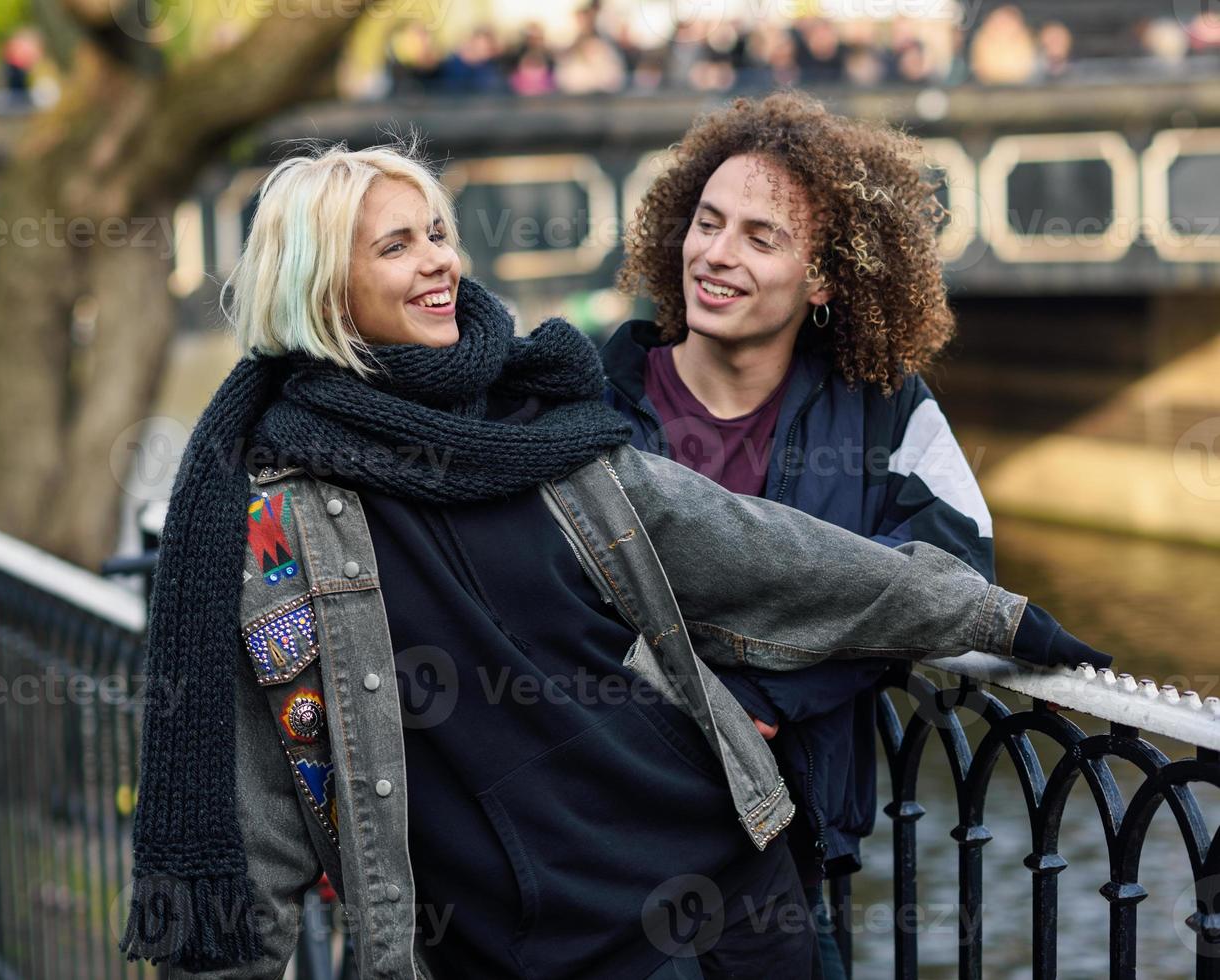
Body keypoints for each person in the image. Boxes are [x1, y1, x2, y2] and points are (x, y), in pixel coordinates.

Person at [118, 141, 1111, 980]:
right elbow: (255, 814)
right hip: (509, 947)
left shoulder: (537, 421)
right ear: (320, 283)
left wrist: (984, 616)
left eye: (435, 233)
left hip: (723, 881)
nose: (437, 263)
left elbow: (759, 553)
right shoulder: (264, 523)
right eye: (394, 245)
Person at [605, 91, 1000, 980]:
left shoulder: (884, 408)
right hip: (605, 854)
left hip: (790, 846)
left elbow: (955, 577)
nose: (717, 254)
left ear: (820, 279)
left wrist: (773, 698)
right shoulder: (594, 397)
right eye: (707, 222)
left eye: (760, 236)